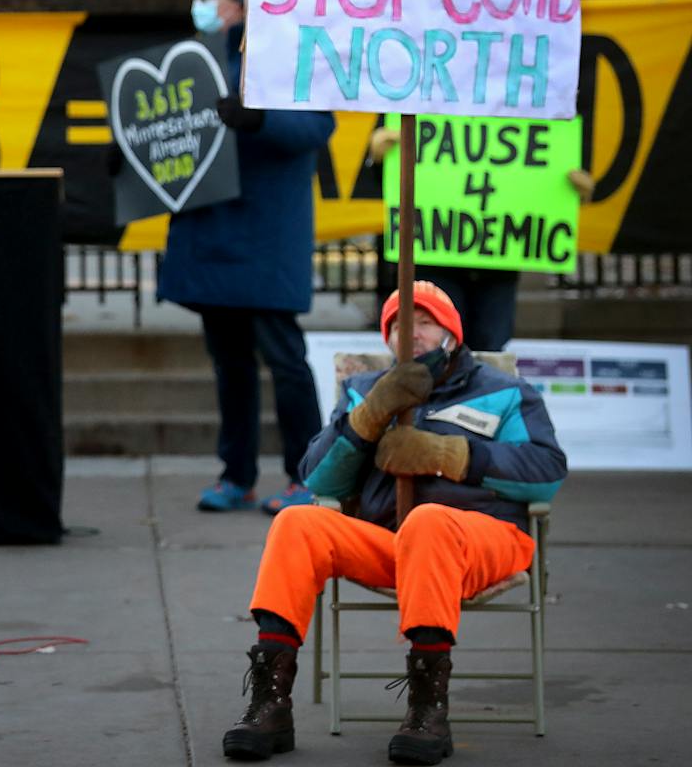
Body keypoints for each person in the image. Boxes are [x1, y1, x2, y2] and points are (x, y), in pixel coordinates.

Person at [221, 281, 567, 765]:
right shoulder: (364, 390)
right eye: (400, 324)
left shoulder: (506, 391)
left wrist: (453, 455)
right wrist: (367, 421)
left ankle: (428, 711)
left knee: (429, 521)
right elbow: (318, 479)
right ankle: (270, 705)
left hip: (485, 539)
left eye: (426, 322)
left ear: (453, 333)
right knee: (298, 521)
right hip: (393, 541)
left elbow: (547, 475)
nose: (413, 333)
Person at [158, 0, 336, 516]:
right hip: (214, 231)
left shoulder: (281, 54)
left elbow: (315, 126)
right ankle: (236, 475)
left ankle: (306, 476)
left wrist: (259, 119)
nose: (200, 3)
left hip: (263, 234)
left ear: (239, 3)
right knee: (228, 363)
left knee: (284, 360)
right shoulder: (195, 57)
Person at [366, 126, 596, 351]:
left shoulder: (525, 109)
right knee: (436, 349)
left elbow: (540, 176)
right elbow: (385, 185)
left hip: (497, 261)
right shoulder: (423, 99)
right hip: (435, 260)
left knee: (490, 345)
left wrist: (568, 195)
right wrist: (377, 159)